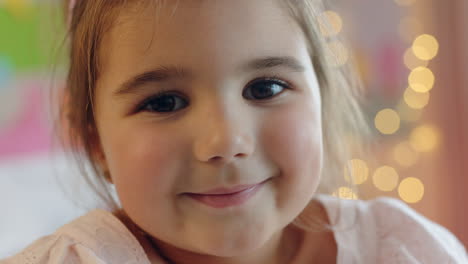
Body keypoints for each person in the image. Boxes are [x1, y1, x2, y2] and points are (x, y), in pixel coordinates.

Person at [2, 0, 467, 263]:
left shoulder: (404, 252)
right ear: (94, 141)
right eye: (164, 101)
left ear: (322, 97)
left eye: (265, 87)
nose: (225, 142)